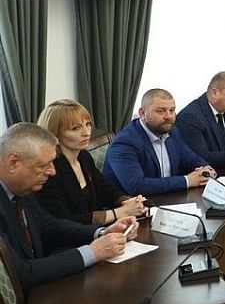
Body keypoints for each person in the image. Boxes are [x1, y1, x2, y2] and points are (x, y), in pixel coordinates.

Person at [0, 124, 137, 290]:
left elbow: (49, 225)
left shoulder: (22, 187)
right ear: (13, 163)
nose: (52, 172)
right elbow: (19, 273)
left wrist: (101, 232)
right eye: (43, 165)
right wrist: (92, 252)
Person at [35, 99, 145, 225]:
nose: (86, 133)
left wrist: (129, 202)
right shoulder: (49, 170)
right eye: (75, 128)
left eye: (87, 124)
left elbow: (105, 189)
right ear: (55, 133)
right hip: (73, 236)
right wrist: (119, 213)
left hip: (99, 230)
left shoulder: (84, 156)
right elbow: (63, 220)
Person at [103, 89, 214, 196]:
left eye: (172, 110)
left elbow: (191, 158)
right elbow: (137, 186)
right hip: (135, 204)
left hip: (168, 197)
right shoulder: (124, 143)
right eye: (160, 111)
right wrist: (187, 180)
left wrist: (206, 169)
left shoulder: (171, 131)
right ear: (142, 113)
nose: (168, 116)